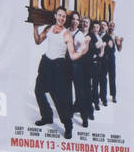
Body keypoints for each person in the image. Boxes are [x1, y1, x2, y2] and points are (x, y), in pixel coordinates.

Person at [32, 7, 73, 138]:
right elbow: (38, 41)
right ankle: (47, 117)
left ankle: (68, 126)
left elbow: (71, 52)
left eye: (64, 17)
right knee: (38, 90)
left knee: (59, 98)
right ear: (55, 16)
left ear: (65, 19)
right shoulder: (48, 29)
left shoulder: (67, 33)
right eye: (59, 15)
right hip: (46, 64)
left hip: (58, 66)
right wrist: (35, 27)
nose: (61, 18)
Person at [66, 12, 93, 130]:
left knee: (80, 92)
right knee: (66, 92)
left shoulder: (80, 34)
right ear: (70, 20)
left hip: (76, 65)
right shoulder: (65, 32)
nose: (75, 21)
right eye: (73, 19)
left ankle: (84, 117)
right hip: (65, 65)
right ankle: (68, 113)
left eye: (77, 20)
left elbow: (84, 50)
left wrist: (85, 45)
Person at [104, 20, 122, 105]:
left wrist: (120, 43)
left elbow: (119, 49)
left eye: (112, 26)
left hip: (111, 57)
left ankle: (113, 95)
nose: (111, 27)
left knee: (112, 77)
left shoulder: (115, 37)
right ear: (108, 26)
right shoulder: (104, 34)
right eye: (110, 25)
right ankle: (102, 95)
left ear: (114, 27)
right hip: (104, 57)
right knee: (103, 77)